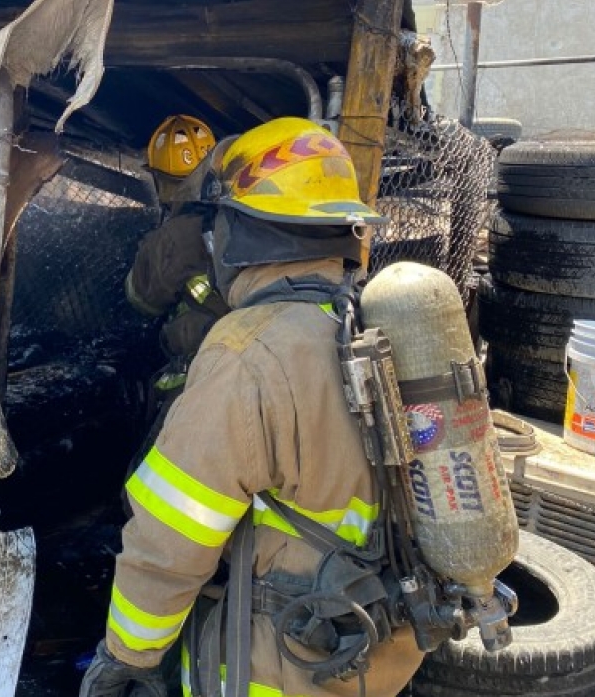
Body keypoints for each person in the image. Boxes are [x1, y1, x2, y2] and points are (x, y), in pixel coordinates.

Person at [80, 117, 427, 697]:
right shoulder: (372, 325)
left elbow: (171, 538)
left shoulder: (249, 353)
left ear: (242, 231)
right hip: (374, 657)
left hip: (280, 661)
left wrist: (126, 655)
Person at [123, 116, 230, 469]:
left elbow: (142, 299)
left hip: (197, 374)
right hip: (248, 361)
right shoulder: (246, 219)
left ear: (162, 181)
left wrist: (148, 253)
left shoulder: (173, 236)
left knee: (147, 480)